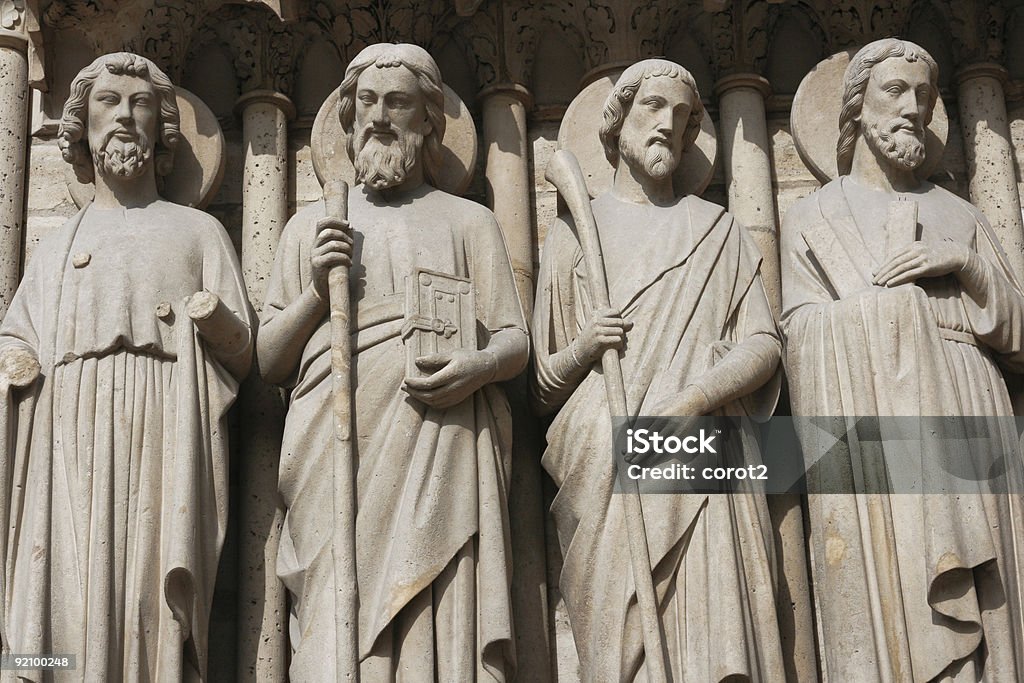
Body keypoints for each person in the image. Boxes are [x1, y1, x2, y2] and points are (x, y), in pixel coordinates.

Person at [257, 43, 527, 680]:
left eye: (398, 102)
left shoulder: (470, 222)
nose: (380, 117)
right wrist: (317, 293)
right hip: (334, 449)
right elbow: (269, 359)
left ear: (429, 119)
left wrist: (478, 368)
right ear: (348, 119)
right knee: (334, 617)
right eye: (367, 103)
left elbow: (516, 341)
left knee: (434, 619)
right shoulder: (309, 230)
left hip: (443, 440)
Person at [0, 52, 252, 680]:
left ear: (163, 127)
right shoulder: (57, 246)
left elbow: (244, 351)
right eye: (108, 103)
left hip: (166, 424)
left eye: (140, 105)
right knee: (61, 591)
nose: (124, 117)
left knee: (150, 592)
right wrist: (17, 363)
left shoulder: (197, 233)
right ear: (82, 125)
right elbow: (16, 337)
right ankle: (49, 667)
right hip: (68, 431)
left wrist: (214, 317)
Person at [531, 58, 786, 680]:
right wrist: (583, 347)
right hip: (600, 458)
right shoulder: (572, 234)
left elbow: (764, 343)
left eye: (684, 116)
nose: (669, 125)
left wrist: (698, 395)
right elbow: (540, 386)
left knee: (708, 640)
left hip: (701, 452)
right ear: (616, 123)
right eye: (653, 108)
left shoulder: (716, 231)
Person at [781, 38, 1024, 681]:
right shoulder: (811, 219)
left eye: (925, 96)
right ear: (857, 107)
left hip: (971, 412)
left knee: (994, 627)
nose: (913, 108)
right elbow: (796, 340)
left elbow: (1022, 337)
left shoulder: (961, 214)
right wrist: (890, 316)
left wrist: (965, 265)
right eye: (894, 91)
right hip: (868, 432)